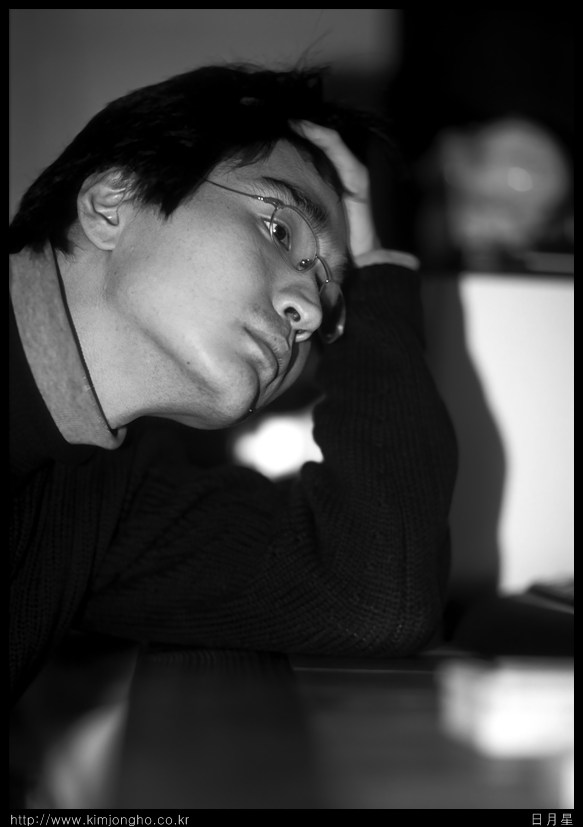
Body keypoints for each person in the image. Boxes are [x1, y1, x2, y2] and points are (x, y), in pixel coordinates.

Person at [10, 63, 458, 708]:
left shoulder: (98, 491)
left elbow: (373, 595)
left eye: (330, 297)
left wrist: (374, 277)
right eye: (280, 230)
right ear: (113, 201)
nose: (310, 312)